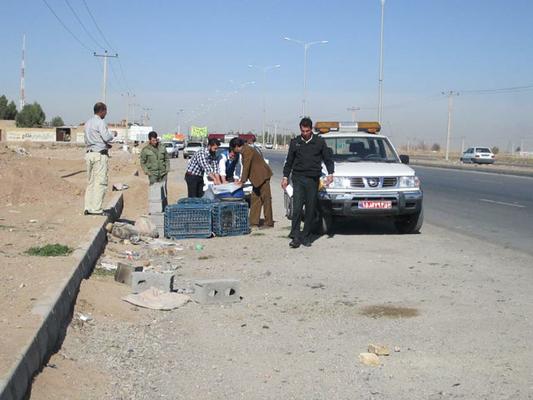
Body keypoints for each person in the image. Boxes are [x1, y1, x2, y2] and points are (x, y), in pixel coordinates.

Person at [281, 117, 334, 248]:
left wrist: (331, 174)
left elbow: (328, 159)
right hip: (298, 179)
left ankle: (306, 236)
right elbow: (289, 161)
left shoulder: (319, 142)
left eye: (307, 131)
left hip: (312, 180)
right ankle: (295, 236)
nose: (305, 133)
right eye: (303, 131)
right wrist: (285, 177)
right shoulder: (295, 142)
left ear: (311, 130)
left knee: (310, 209)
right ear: (300, 129)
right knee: (297, 208)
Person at [230, 137, 274, 228]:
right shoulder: (244, 151)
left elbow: (247, 166)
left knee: (266, 200)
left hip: (262, 176)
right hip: (256, 179)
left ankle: (268, 223)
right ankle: (253, 222)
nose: (233, 151)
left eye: (233, 148)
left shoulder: (247, 150)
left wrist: (242, 181)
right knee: (255, 200)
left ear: (237, 146)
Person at [83, 102, 115, 216]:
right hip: (99, 156)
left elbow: (89, 140)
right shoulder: (100, 122)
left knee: (90, 182)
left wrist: (104, 145)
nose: (106, 113)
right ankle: (96, 208)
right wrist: (113, 134)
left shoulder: (87, 123)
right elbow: (106, 136)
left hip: (89, 154)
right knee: (100, 182)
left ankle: (88, 206)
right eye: (105, 111)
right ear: (102, 111)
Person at [140, 131, 170, 214]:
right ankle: (155, 211)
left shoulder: (162, 147)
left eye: (156, 140)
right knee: (154, 192)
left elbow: (167, 159)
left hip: (163, 173)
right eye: (153, 140)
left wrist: (167, 169)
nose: (155, 142)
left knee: (164, 192)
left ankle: (165, 209)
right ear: (149, 140)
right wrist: (147, 172)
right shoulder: (146, 150)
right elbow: (142, 162)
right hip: (153, 174)